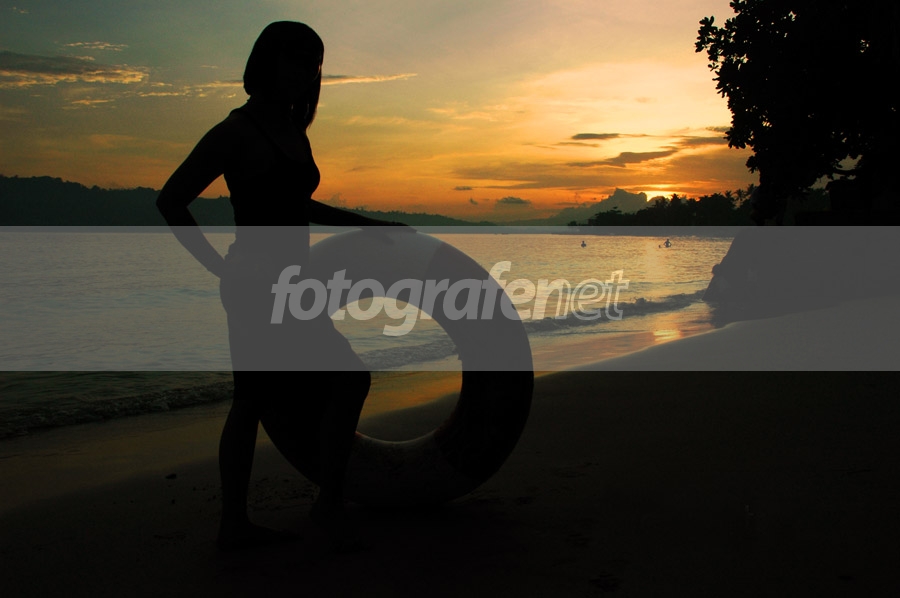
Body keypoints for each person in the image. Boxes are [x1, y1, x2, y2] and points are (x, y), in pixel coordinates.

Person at [156, 21, 402, 550]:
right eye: (296, 59)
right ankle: (241, 523)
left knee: (331, 383)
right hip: (254, 281)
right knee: (256, 398)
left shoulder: (293, 129)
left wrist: (371, 225)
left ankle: (323, 503)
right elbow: (171, 200)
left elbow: (299, 205)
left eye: (314, 64)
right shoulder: (236, 131)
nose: (305, 72)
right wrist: (216, 266)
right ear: (267, 61)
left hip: (293, 284)